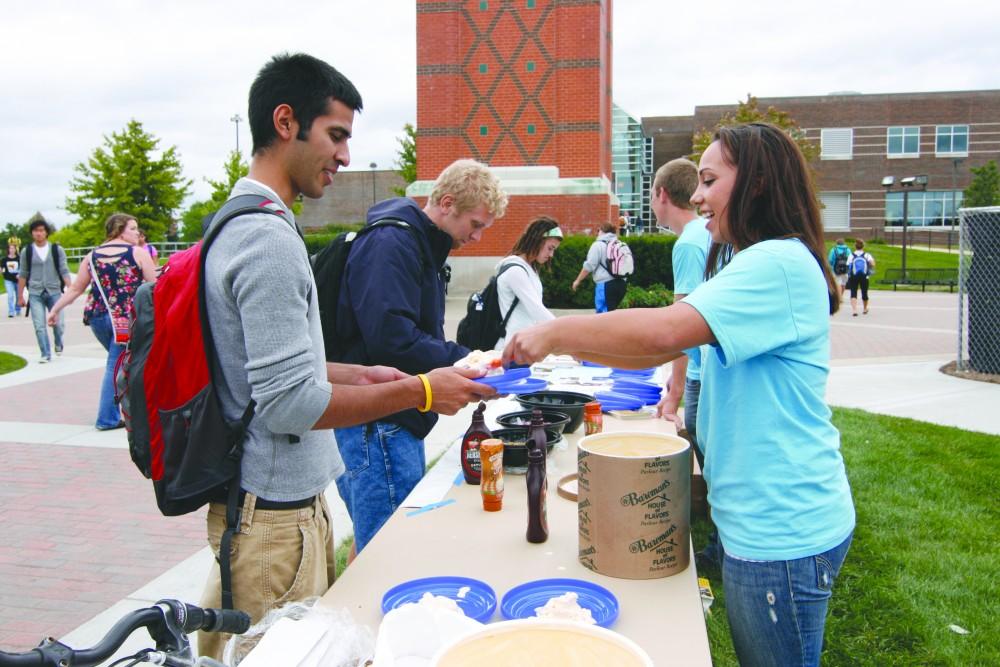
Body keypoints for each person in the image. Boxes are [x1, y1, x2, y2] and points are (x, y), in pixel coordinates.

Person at [503, 122, 855, 667]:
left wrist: (554, 333)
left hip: (781, 531)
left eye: (711, 180)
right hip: (762, 521)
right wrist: (567, 352)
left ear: (757, 183)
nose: (697, 195)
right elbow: (653, 350)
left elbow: (665, 332)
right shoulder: (752, 261)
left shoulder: (776, 263)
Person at [196, 53, 495, 660]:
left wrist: (360, 373)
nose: (345, 156)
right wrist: (423, 390)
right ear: (286, 122)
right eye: (336, 135)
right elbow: (289, 403)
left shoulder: (237, 221)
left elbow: (269, 371)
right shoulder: (267, 239)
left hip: (259, 516)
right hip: (275, 522)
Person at [331, 158, 508, 556]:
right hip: (380, 421)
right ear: (446, 203)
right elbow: (391, 339)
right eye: (476, 225)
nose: (478, 237)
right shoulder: (393, 243)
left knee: (385, 544)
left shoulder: (416, 243)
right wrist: (468, 360)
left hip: (392, 415)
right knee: (390, 551)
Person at [46, 214, 157, 430]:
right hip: (125, 319)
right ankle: (107, 418)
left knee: (123, 362)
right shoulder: (137, 253)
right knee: (116, 365)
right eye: (133, 228)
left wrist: (55, 309)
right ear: (119, 230)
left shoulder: (91, 256)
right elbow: (155, 286)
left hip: (98, 317)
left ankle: (130, 408)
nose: (137, 232)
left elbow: (77, 289)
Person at [649, 158, 710, 454]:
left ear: (662, 194)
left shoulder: (687, 244)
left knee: (703, 459)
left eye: (650, 195)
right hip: (708, 368)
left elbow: (681, 326)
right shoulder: (706, 232)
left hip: (702, 377)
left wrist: (675, 393)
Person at [493, 216, 563, 350]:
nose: (551, 254)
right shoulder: (515, 271)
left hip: (525, 344)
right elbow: (537, 309)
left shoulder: (529, 268)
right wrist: (565, 338)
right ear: (537, 241)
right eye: (550, 248)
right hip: (514, 346)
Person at [17, 218, 71, 363]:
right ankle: (45, 353)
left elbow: (64, 270)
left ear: (46, 232)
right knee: (39, 325)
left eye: (41, 230)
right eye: (36, 231)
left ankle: (58, 343)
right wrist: (20, 296)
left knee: (58, 324)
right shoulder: (26, 251)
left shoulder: (56, 249)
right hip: (35, 293)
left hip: (54, 292)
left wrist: (71, 289)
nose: (39, 233)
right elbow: (23, 274)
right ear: (32, 233)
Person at [571, 221, 626, 312]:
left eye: (598, 230)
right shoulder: (619, 244)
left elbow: (589, 266)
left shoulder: (598, 245)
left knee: (603, 315)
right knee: (611, 313)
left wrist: (578, 280)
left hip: (605, 285)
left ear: (601, 231)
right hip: (621, 284)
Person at [847, 239, 875, 316]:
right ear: (863, 246)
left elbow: (848, 265)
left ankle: (854, 310)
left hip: (853, 276)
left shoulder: (851, 255)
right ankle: (865, 309)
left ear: (855, 246)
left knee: (853, 292)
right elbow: (873, 264)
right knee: (864, 292)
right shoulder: (867, 255)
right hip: (864, 276)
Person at [4, 240, 21, 317]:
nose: (12, 250)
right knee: (10, 295)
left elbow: (23, 268)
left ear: (15, 249)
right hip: (8, 280)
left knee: (18, 296)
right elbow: (3, 269)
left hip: (17, 280)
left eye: (13, 248)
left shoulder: (19, 259)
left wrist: (19, 274)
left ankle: (17, 309)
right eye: (10, 248)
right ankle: (11, 311)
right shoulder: (4, 260)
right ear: (8, 250)